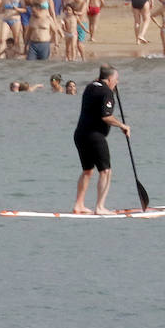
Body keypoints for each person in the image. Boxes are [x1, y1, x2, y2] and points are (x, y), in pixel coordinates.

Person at [72, 65, 131, 215]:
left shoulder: (90, 87)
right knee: (105, 171)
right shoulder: (107, 93)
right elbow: (106, 116)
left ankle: (79, 205)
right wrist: (122, 125)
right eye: (116, 80)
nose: (117, 83)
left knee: (87, 171)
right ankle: (100, 207)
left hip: (80, 135)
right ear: (110, 79)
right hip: (94, 136)